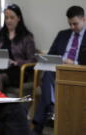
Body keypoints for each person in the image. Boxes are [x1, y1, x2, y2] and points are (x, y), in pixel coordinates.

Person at [32, 5, 86, 135]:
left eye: (75, 24)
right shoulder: (63, 34)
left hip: (79, 72)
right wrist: (59, 61)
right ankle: (51, 107)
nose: (72, 27)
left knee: (48, 78)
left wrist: (74, 63)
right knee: (48, 74)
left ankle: (38, 126)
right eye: (70, 24)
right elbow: (50, 55)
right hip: (58, 71)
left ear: (84, 19)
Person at [0, 4, 36, 91]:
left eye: (12, 17)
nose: (8, 21)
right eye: (6, 18)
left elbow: (32, 60)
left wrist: (16, 62)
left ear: (19, 18)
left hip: (16, 70)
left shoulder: (26, 37)